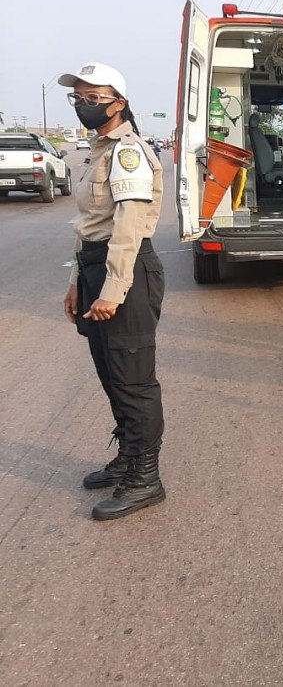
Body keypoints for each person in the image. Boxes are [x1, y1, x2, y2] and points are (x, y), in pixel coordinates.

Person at [60, 62, 166, 520]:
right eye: (78, 97)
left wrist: (113, 289)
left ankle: (146, 478)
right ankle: (127, 458)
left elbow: (128, 226)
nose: (83, 104)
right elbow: (88, 226)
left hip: (123, 271)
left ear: (117, 104)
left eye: (92, 97)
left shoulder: (128, 153)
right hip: (94, 271)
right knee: (110, 375)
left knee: (134, 380)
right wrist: (75, 283)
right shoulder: (95, 151)